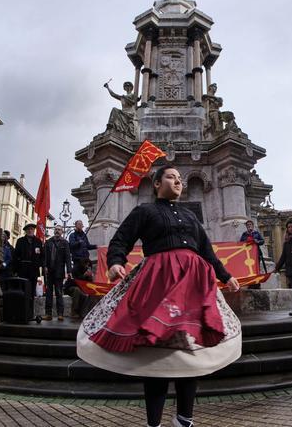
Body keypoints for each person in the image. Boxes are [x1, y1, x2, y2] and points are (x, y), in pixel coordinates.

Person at [77, 165, 241, 427]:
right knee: (158, 358)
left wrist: (225, 276)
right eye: (170, 177)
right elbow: (121, 239)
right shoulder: (144, 211)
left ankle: (184, 419)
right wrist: (115, 262)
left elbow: (206, 252)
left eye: (179, 178)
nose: (178, 181)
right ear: (156, 183)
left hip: (193, 286)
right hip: (159, 283)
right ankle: (154, 423)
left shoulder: (190, 216)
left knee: (191, 352)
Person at [43, 226, 72, 321]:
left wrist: (69, 271)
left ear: (62, 232)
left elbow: (68, 258)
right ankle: (48, 314)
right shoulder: (48, 242)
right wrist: (45, 267)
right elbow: (45, 256)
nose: (57, 231)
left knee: (59, 293)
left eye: (59, 229)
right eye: (56, 229)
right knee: (48, 293)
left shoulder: (65, 243)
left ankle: (60, 314)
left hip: (59, 272)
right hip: (49, 271)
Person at [14, 223, 43, 288]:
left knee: (32, 287)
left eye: (31, 229)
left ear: (34, 230)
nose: (30, 231)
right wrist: (16, 269)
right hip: (22, 268)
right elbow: (15, 255)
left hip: (34, 269)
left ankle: (31, 298)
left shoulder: (38, 241)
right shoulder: (20, 241)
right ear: (26, 231)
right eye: (28, 229)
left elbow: (42, 255)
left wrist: (38, 264)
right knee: (22, 287)